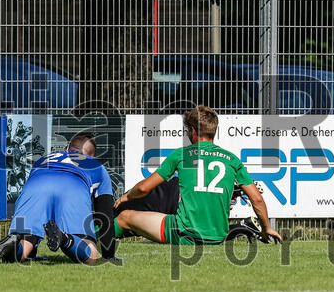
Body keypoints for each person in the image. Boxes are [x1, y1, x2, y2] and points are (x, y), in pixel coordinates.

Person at [116, 105, 281, 245]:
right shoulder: (232, 160)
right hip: (218, 237)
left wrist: (127, 197)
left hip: (184, 234)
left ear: (193, 131)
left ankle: (93, 240)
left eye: (189, 130)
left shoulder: (182, 155)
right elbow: (257, 199)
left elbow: (144, 188)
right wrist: (266, 228)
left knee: (125, 216)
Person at [0, 134, 117, 265]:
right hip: (72, 186)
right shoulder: (96, 165)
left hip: (36, 185)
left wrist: (31, 251)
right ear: (91, 156)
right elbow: (106, 216)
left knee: (24, 245)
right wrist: (109, 255)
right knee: (91, 254)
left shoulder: (44, 159)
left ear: (67, 149)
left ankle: (14, 244)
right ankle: (64, 239)